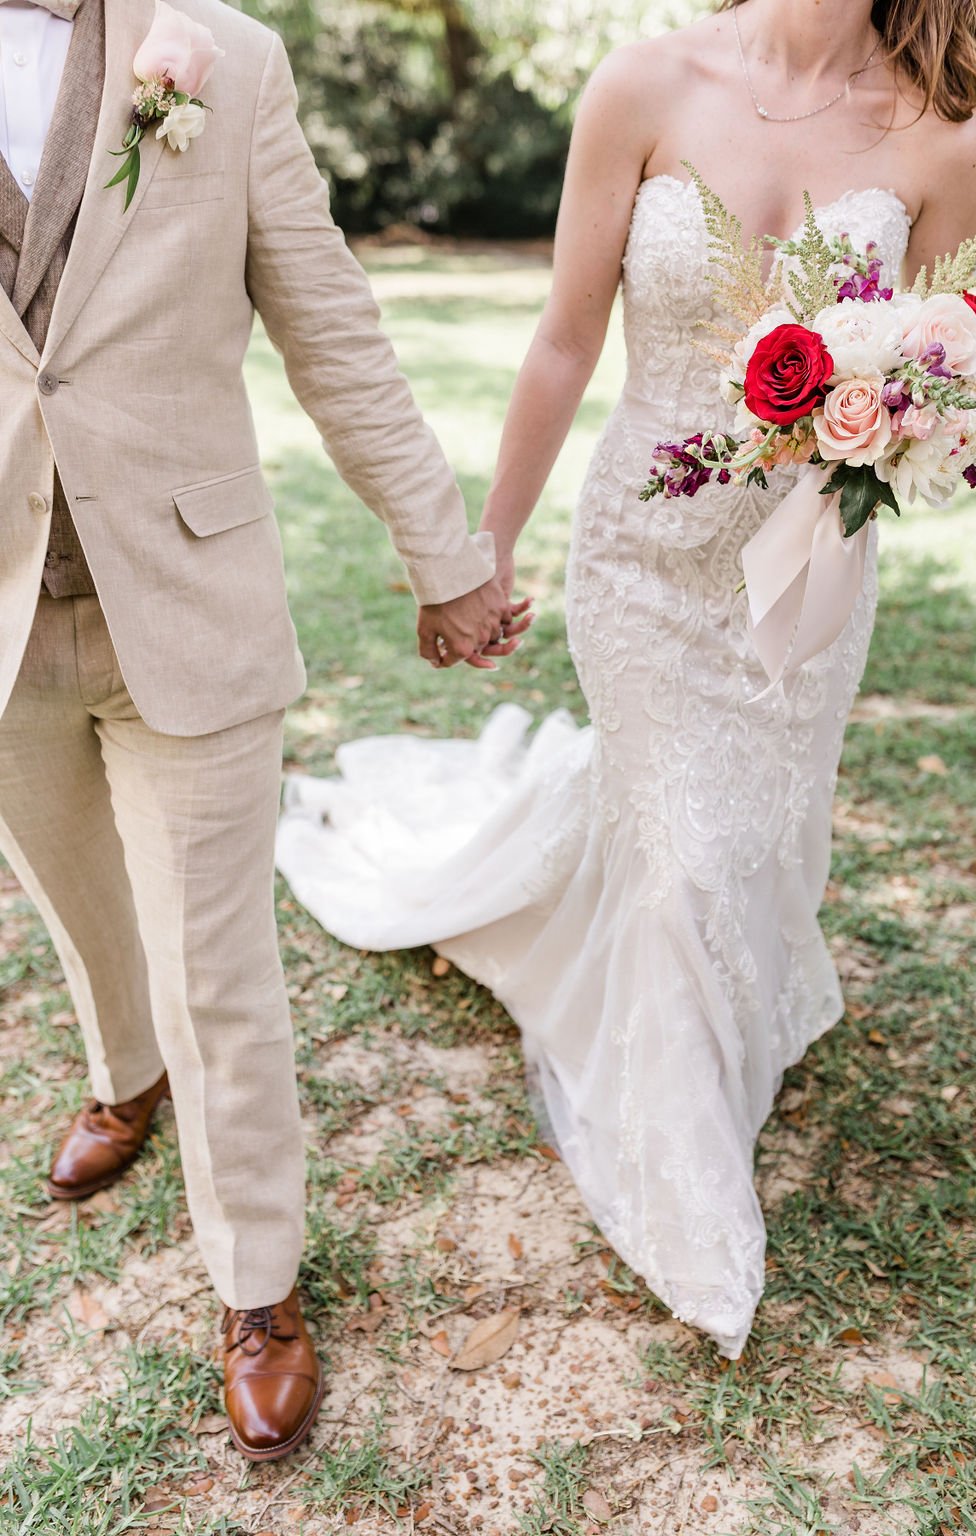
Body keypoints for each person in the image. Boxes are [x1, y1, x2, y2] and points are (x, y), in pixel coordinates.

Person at [277, 0, 976, 1358]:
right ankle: (688, 1194)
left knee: (751, 844)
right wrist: (480, 550)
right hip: (643, 561)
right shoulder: (645, 83)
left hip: (805, 575)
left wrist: (906, 419)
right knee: (680, 862)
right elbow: (564, 337)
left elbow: (948, 366)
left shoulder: (948, 139)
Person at [0, 0, 526, 1462]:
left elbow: (333, 332)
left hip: (193, 593)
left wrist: (448, 556)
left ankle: (257, 1287)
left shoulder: (220, 53)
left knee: (219, 972)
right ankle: (124, 1071)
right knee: (77, 901)